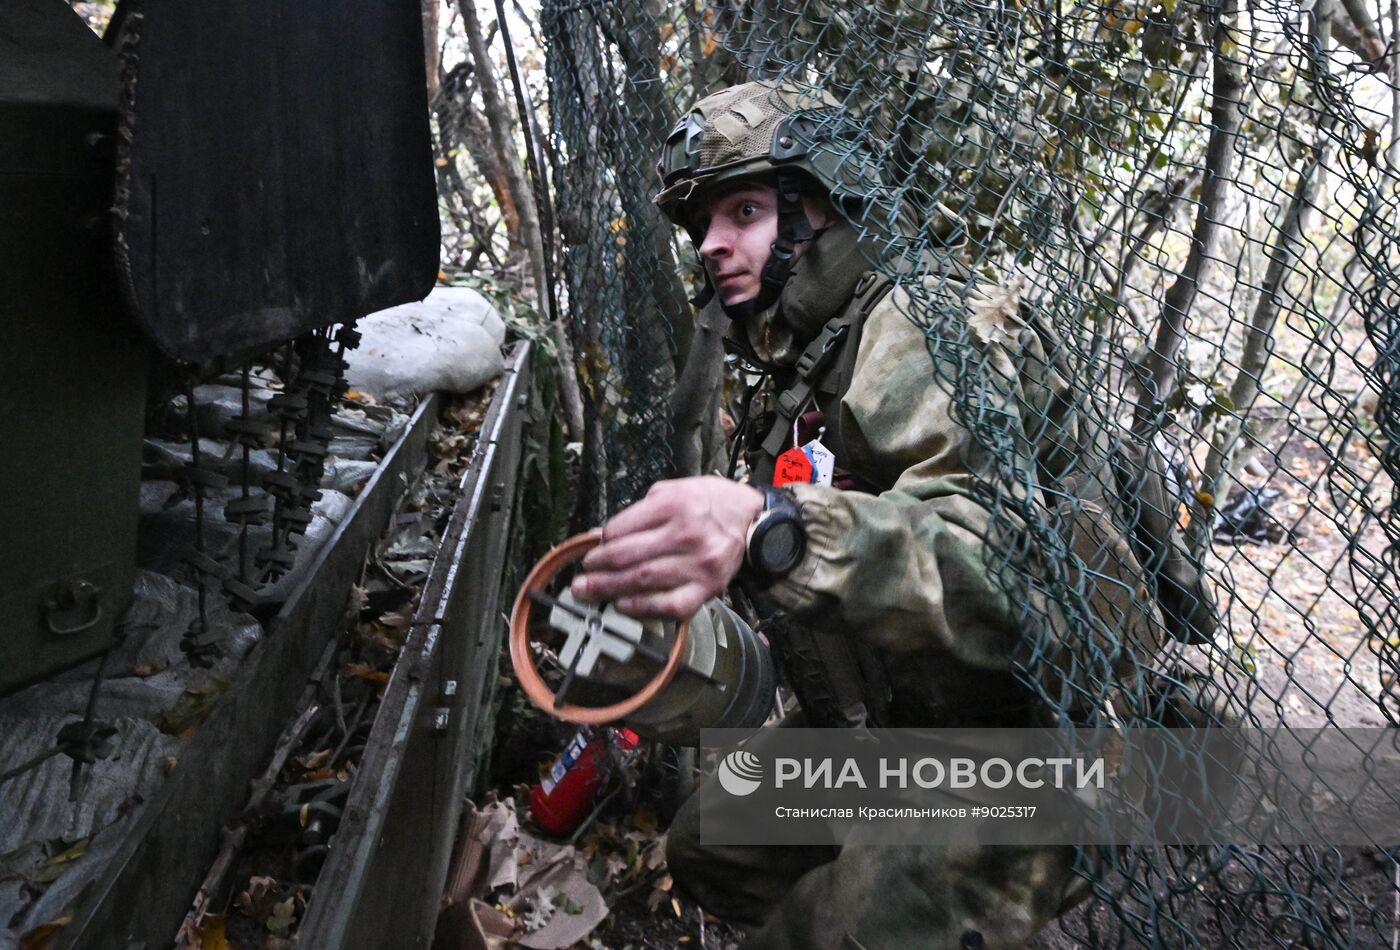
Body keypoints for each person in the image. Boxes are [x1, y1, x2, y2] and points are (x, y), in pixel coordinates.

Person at [569, 80, 1210, 948]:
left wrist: (771, 532)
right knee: (713, 841)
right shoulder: (806, 363)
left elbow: (996, 572)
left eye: (746, 209)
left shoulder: (921, 320)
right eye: (703, 225)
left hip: (1045, 746)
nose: (714, 245)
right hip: (911, 723)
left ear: (828, 205)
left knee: (831, 926)